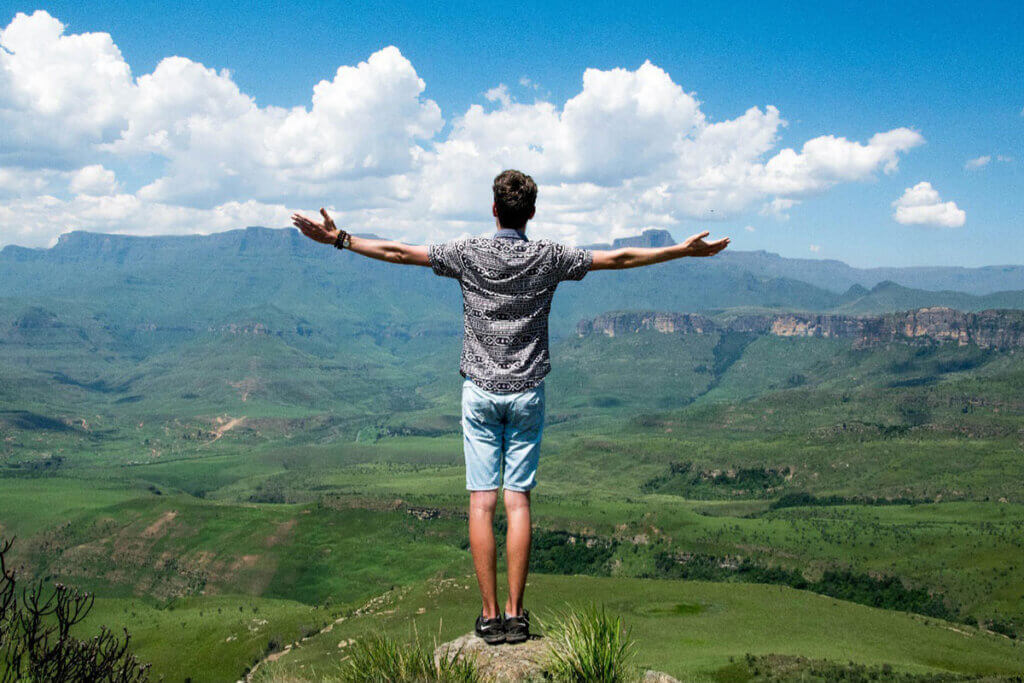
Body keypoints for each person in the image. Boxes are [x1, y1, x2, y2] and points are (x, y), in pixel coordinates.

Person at [292, 169, 730, 645]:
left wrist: (340, 239)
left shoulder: (468, 253)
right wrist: (682, 251)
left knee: (481, 502)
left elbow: (399, 252)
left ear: (494, 209)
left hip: (479, 393)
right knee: (517, 501)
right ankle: (517, 616)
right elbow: (620, 258)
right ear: (532, 213)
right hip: (527, 394)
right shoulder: (550, 256)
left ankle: (488, 616)